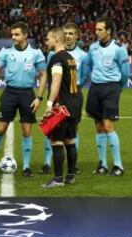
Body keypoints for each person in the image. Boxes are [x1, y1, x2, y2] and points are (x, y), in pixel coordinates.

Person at [0, 22, 47, 177]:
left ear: (25, 35)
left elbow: (43, 75)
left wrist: (39, 97)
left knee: (27, 130)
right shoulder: (5, 52)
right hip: (9, 93)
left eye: (16, 34)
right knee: (0, 129)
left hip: (28, 94)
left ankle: (26, 167)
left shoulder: (36, 53)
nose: (13, 37)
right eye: (12, 34)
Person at [40, 22, 89, 175]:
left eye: (48, 39)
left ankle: (57, 178)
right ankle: (71, 175)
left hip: (62, 105)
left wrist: (49, 104)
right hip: (74, 103)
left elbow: (56, 81)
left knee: (56, 141)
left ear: (55, 39)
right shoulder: (70, 58)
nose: (46, 41)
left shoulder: (56, 58)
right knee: (70, 140)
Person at [86, 17, 130, 176]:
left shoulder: (119, 49)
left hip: (111, 87)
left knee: (108, 125)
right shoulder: (92, 48)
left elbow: (125, 73)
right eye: (96, 29)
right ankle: (103, 164)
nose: (96, 32)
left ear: (109, 30)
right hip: (95, 88)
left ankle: (118, 165)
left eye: (100, 30)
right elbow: (89, 67)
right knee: (98, 126)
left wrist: (119, 88)